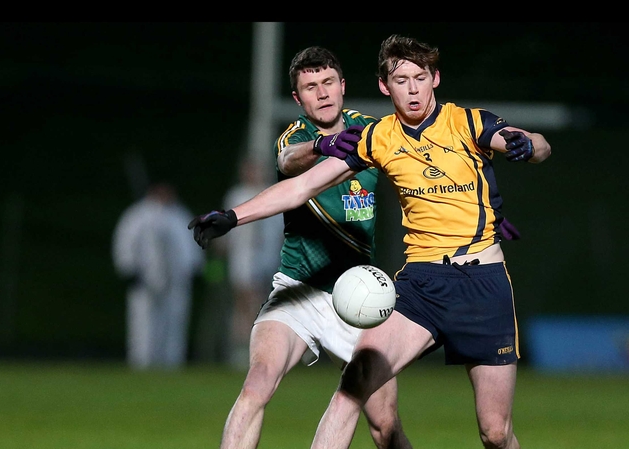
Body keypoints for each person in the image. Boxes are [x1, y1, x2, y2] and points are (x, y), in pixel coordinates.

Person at [189, 34, 552, 448]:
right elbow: (299, 184)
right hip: (420, 284)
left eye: (420, 77)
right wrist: (235, 216)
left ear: (436, 78)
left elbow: (533, 144)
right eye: (401, 80)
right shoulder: (376, 137)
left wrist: (529, 146)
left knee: (495, 432)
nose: (412, 89)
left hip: (482, 284)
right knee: (351, 390)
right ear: (385, 86)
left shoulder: (468, 122)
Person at [189, 46, 412, 449]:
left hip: (359, 298)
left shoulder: (373, 132)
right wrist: (322, 148)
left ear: (343, 87)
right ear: (298, 99)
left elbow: (420, 169)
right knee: (258, 382)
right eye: (310, 87)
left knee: (385, 426)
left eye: (328, 83)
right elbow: (290, 162)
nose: (322, 93)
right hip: (299, 289)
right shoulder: (297, 138)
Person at [112, 181, 204, 370]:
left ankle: (172, 362)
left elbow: (191, 245)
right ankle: (141, 362)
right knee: (143, 323)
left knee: (175, 323)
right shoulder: (138, 215)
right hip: (145, 281)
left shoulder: (179, 215)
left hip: (176, 281)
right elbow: (125, 242)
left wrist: (194, 269)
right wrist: (128, 269)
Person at [219, 157, 283, 368]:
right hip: (243, 257)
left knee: (263, 302)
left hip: (267, 257)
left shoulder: (274, 193)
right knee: (244, 300)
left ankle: (263, 350)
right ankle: (242, 348)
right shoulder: (236, 195)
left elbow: (280, 230)